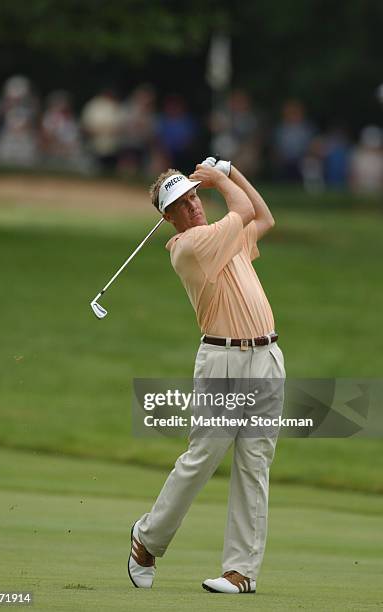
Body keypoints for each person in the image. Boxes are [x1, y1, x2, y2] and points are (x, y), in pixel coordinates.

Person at [128, 156, 285, 594]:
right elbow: (247, 212)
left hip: (267, 356)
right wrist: (219, 179)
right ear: (168, 216)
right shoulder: (190, 247)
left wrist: (232, 174)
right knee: (203, 459)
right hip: (223, 363)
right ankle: (147, 539)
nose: (194, 205)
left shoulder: (225, 237)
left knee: (255, 465)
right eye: (182, 202)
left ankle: (241, 572)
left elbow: (265, 216)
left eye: (195, 196)